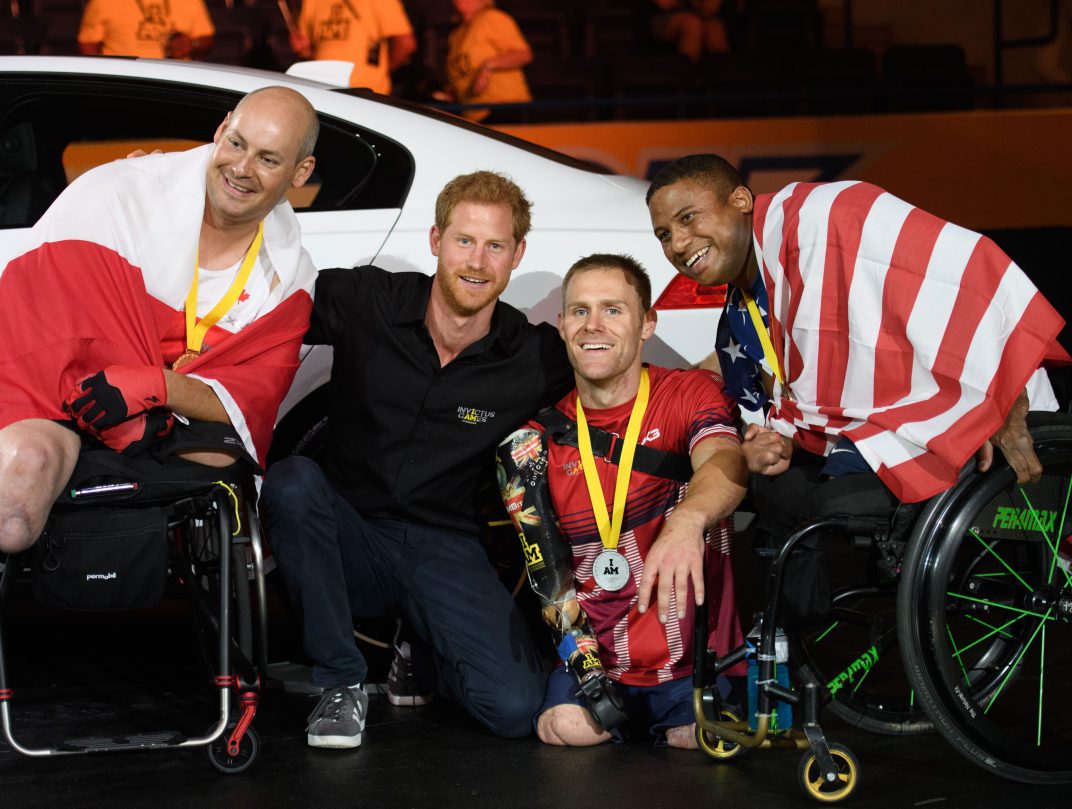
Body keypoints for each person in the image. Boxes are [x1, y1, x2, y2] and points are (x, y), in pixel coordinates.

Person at [645, 154, 1066, 618]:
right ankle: (794, 640)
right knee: (775, 487)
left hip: (984, 407)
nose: (678, 244)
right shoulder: (743, 305)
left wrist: (1006, 399)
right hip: (881, 426)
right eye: (664, 234)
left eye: (688, 218)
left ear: (741, 200)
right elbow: (792, 392)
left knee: (813, 498)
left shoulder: (829, 215)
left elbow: (972, 270)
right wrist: (773, 437)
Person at [0, 87, 321, 556]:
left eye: (268, 159)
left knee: (220, 469)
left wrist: (153, 385)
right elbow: (30, 320)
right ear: (222, 128)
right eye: (237, 143)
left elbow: (254, 398)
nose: (242, 168)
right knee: (14, 517)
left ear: (300, 172)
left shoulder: (291, 277)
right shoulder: (123, 193)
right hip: (64, 396)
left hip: (173, 420)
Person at [260, 170, 573, 749]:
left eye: (495, 245)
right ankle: (341, 681)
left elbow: (617, 373)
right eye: (464, 240)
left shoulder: (533, 355)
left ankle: (423, 651)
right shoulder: (367, 300)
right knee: (292, 482)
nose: (477, 261)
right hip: (349, 540)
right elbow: (259, 299)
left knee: (513, 709)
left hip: (444, 549)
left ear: (517, 255)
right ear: (435, 240)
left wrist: (715, 409)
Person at [496, 253, 746, 747]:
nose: (594, 325)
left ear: (647, 323)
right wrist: (591, 679)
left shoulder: (688, 393)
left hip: (695, 663)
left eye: (613, 309)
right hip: (600, 664)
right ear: (562, 325)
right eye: (580, 310)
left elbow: (725, 461)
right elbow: (552, 583)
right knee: (562, 728)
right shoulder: (529, 446)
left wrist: (687, 520)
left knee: (696, 740)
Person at [288, 0, 417, 95]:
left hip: (367, 96)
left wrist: (382, 72)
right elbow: (309, 49)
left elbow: (406, 43)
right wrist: (303, 48)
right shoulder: (311, 1)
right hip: (322, 92)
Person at [441, 0, 533, 123]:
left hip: (504, 108)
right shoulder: (456, 34)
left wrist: (488, 66)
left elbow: (523, 55)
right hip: (473, 116)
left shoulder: (492, 18)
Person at [78, 0, 216, 60]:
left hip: (176, 85)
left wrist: (192, 44)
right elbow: (88, 42)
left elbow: (207, 38)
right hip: (127, 85)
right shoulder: (103, 2)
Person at [650, 1, 728, 64]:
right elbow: (665, 4)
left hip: (698, 15)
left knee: (714, 30)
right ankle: (685, 75)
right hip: (659, 15)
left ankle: (724, 75)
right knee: (692, 24)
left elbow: (709, 10)